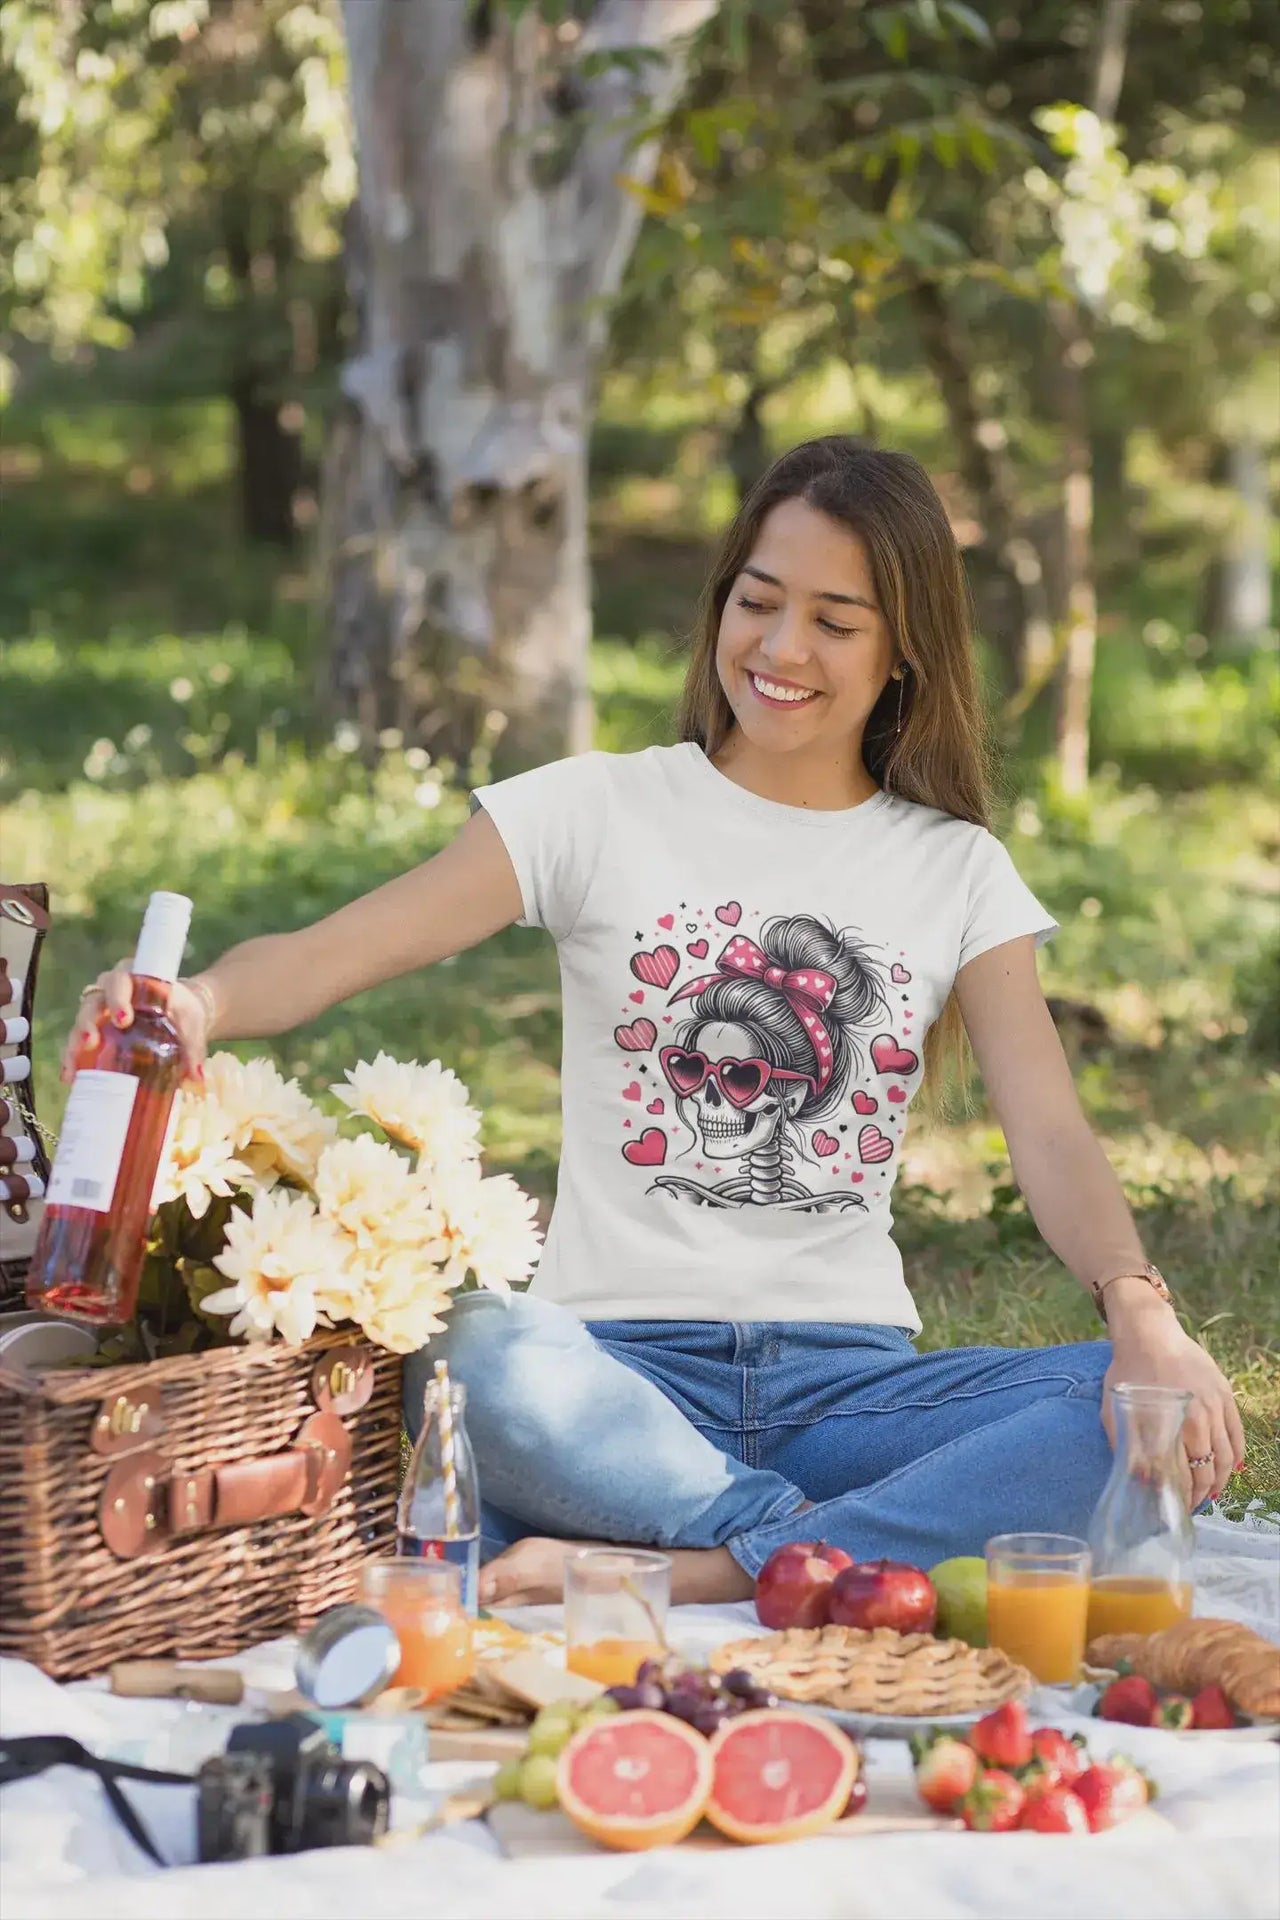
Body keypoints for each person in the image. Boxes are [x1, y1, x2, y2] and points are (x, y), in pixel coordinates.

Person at [69, 437, 1244, 1608]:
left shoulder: (956, 870)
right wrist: (201, 1002)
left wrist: (1144, 1318)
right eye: (757, 601)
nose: (781, 649)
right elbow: (337, 952)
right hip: (608, 1389)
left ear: (902, 653)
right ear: (720, 601)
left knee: (1127, 1410)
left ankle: (700, 1566)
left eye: (834, 622)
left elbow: (1046, 1133)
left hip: (850, 1395)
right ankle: (802, 1552)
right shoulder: (594, 809)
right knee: (470, 1348)